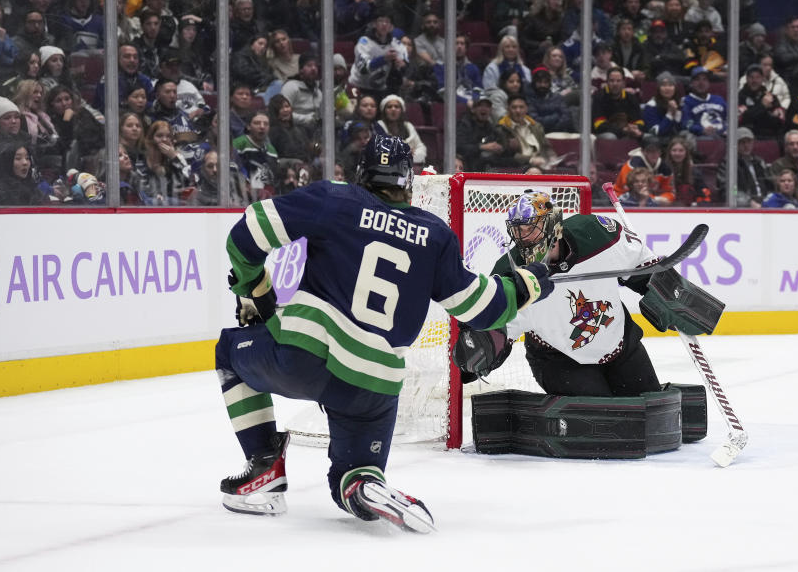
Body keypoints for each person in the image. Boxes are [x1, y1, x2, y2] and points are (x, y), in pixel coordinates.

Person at [214, 134, 552, 529]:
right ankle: (363, 483)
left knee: (228, 351)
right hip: (373, 389)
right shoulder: (435, 235)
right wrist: (526, 286)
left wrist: (255, 288)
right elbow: (480, 309)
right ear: (408, 181)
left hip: (303, 358)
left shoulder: (336, 199)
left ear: (361, 173)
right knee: (352, 476)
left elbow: (247, 232)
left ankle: (263, 470)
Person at [484, 190, 667, 406]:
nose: (523, 237)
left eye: (530, 228)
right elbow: (496, 328)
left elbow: (642, 269)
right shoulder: (509, 272)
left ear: (553, 225)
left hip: (620, 345)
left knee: (651, 412)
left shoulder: (596, 233)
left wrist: (667, 294)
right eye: (518, 229)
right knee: (605, 422)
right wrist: (482, 351)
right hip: (559, 359)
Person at [717, 127, 772, 208]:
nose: (746, 145)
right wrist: (748, 202)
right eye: (742, 142)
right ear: (735, 144)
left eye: (749, 142)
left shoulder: (759, 162)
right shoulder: (728, 164)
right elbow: (729, 190)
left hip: (764, 203)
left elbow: (770, 185)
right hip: (743, 207)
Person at [496, 94, 556, 170]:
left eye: (521, 107)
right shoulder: (502, 128)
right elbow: (506, 155)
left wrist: (552, 156)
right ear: (508, 109)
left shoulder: (536, 126)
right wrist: (530, 160)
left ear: (526, 109)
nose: (518, 111)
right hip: (519, 166)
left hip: (541, 163)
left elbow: (546, 146)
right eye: (514, 107)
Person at [612, 134, 674, 204]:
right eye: (650, 151)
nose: (654, 154)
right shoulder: (633, 165)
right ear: (643, 151)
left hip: (650, 200)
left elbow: (669, 191)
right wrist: (655, 199)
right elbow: (633, 191)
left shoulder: (665, 168)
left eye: (657, 151)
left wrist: (664, 198)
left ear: (660, 152)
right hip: (621, 199)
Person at [591, 66, 644, 140]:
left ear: (623, 82)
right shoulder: (598, 97)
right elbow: (599, 125)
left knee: (644, 136)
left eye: (618, 81)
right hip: (603, 134)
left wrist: (635, 128)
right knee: (611, 137)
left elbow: (640, 121)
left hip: (627, 132)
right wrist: (623, 130)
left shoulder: (631, 98)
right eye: (611, 81)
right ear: (607, 82)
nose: (615, 84)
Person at [376, 95, 427, 166]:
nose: (393, 109)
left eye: (396, 107)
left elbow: (420, 147)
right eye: (389, 107)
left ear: (402, 110)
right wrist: (406, 153)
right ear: (384, 110)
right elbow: (382, 151)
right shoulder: (379, 125)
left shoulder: (408, 126)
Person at [681, 67, 727, 138]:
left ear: (709, 83)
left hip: (722, 136)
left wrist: (724, 129)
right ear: (691, 83)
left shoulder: (719, 99)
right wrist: (702, 130)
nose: (701, 83)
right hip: (700, 137)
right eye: (697, 79)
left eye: (705, 79)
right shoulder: (686, 101)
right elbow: (686, 123)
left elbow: (728, 119)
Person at [665, 136, 710, 206]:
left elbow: (704, 194)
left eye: (681, 150)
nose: (677, 153)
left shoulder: (694, 172)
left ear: (686, 153)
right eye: (674, 150)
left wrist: (697, 204)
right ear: (669, 152)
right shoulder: (663, 170)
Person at [641, 72, 683, 137]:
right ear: (658, 88)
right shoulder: (651, 106)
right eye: (663, 85)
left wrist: (676, 112)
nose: (667, 88)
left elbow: (680, 129)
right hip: (657, 141)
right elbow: (658, 132)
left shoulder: (680, 103)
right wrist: (670, 113)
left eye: (670, 85)